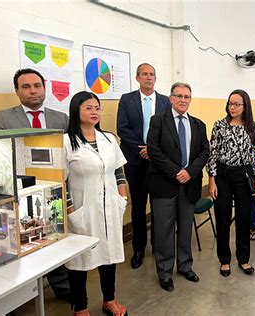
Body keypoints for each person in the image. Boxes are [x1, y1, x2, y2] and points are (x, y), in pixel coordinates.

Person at [0, 68, 70, 301]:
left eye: (37, 85)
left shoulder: (61, 118)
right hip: (17, 191)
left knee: (54, 237)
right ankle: (17, 296)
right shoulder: (1, 119)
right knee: (21, 241)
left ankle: (63, 288)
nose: (33, 91)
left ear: (44, 87)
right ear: (17, 91)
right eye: (26, 87)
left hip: (54, 189)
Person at [64, 91, 128, 316]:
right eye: (88, 108)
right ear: (76, 110)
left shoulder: (109, 138)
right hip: (83, 211)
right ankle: (80, 307)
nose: (94, 112)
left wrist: (122, 198)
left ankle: (109, 300)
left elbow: (118, 169)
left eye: (97, 108)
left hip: (111, 207)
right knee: (80, 261)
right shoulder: (66, 142)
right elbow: (60, 181)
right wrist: (71, 210)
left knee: (109, 256)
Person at [147, 82, 209, 291]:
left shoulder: (198, 124)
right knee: (164, 232)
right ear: (171, 98)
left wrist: (189, 172)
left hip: (189, 185)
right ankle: (164, 272)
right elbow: (154, 150)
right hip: (165, 184)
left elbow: (204, 152)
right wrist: (176, 172)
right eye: (179, 96)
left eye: (187, 96)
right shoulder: (158, 121)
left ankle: (185, 266)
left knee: (185, 229)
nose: (183, 100)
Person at [116, 63, 172, 269]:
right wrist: (142, 148)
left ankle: (159, 247)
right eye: (144, 74)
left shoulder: (166, 102)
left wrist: (153, 149)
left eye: (152, 75)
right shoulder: (127, 100)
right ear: (137, 77)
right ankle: (138, 249)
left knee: (158, 206)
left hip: (158, 163)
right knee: (138, 207)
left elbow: (169, 130)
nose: (149, 78)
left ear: (155, 79)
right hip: (134, 161)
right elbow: (122, 128)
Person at [207, 89, 255, 277]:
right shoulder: (219, 125)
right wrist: (212, 180)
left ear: (245, 106)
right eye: (230, 103)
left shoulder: (252, 127)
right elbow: (213, 154)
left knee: (243, 218)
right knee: (222, 217)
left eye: (237, 104)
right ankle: (224, 259)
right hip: (223, 175)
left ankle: (243, 259)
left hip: (243, 175)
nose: (232, 107)